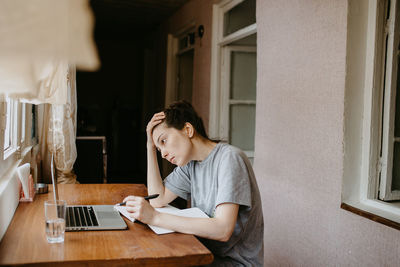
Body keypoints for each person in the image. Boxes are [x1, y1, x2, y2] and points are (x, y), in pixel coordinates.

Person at [122, 101, 264, 266]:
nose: (163, 154)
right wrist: (150, 146)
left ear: (188, 130)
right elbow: (157, 199)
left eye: (164, 141)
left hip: (234, 263)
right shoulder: (191, 165)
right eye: (159, 149)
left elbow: (222, 229)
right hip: (203, 253)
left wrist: (155, 217)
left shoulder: (230, 158)